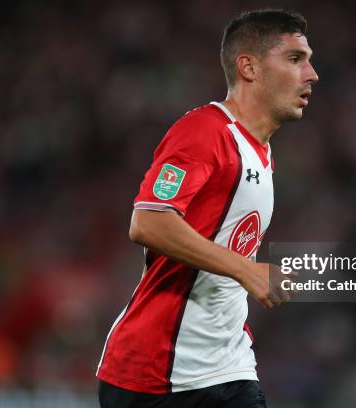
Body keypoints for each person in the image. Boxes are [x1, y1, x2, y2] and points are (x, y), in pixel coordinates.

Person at [97, 9, 318, 408]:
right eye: (294, 59)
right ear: (248, 67)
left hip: (226, 367)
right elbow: (148, 222)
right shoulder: (205, 132)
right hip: (156, 375)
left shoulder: (261, 153)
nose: (311, 74)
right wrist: (247, 268)